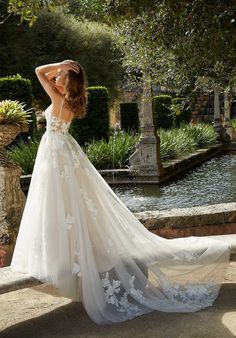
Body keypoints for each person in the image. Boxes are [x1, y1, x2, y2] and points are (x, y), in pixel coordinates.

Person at [11, 60, 230, 325]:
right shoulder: (68, 99)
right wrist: (66, 69)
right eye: (58, 75)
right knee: (67, 204)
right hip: (62, 151)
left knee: (57, 204)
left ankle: (62, 259)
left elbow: (37, 71)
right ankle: (71, 257)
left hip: (55, 154)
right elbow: (48, 76)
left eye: (61, 76)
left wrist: (60, 64)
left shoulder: (58, 96)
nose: (56, 76)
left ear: (68, 82)